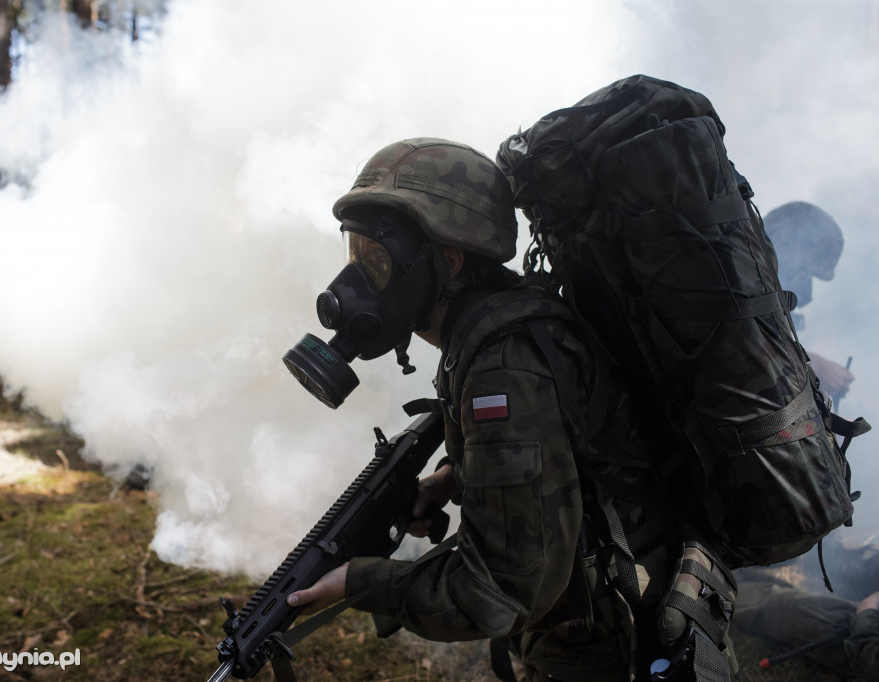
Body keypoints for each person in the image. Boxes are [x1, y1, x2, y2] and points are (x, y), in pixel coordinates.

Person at [284, 138, 739, 681]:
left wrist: (360, 582)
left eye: (378, 260)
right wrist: (456, 476)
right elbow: (571, 449)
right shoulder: (504, 327)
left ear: (448, 260)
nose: (352, 285)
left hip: (627, 650)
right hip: (616, 625)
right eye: (355, 254)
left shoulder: (503, 362)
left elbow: (500, 592)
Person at [764, 201, 855, 402]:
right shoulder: (747, 286)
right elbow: (747, 347)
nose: (809, 292)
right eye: (808, 275)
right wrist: (813, 366)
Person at [731, 574, 879, 680]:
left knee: (779, 606)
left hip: (850, 638)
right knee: (794, 596)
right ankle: (735, 575)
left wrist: (868, 611)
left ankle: (723, 591)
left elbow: (868, 658)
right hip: (860, 620)